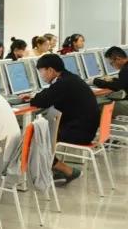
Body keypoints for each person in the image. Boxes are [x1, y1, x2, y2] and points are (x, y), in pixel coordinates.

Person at [23, 53, 100, 182]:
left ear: (50, 70)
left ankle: (66, 170)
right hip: (85, 128)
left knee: (37, 137)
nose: (41, 75)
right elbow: (50, 92)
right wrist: (36, 95)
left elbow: (42, 101)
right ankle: (54, 169)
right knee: (42, 132)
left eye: (41, 72)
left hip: (79, 133)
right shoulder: (69, 78)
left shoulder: (64, 83)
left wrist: (33, 98)